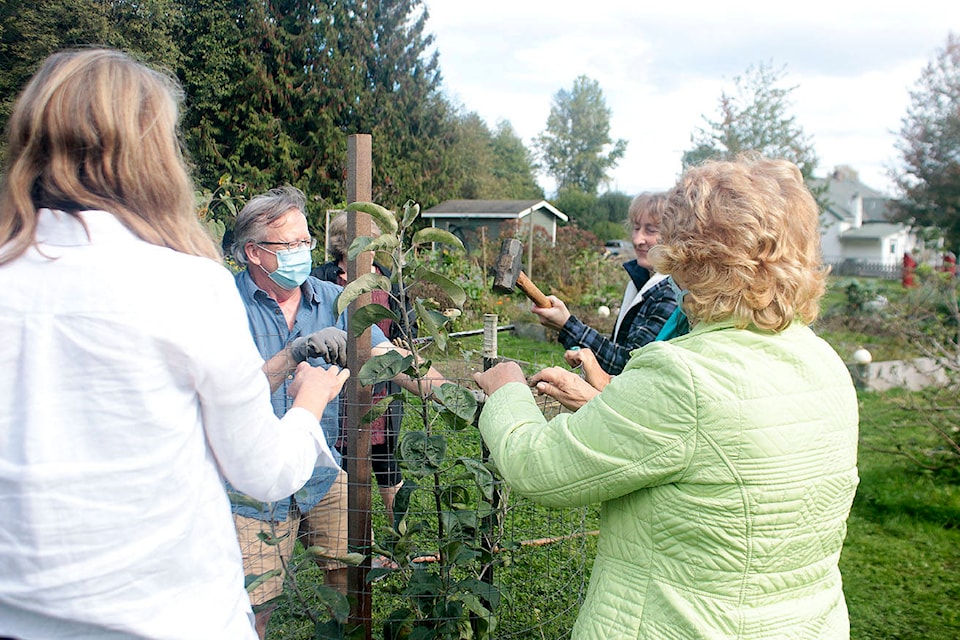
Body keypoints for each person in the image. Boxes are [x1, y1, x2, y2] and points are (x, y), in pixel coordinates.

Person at [0, 48, 349, 640]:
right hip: (171, 616)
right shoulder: (188, 285)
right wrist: (308, 402)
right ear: (151, 153)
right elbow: (263, 470)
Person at [474, 156, 860, 638]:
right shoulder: (826, 365)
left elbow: (540, 469)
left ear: (691, 254)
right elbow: (718, 455)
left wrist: (506, 388)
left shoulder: (683, 373)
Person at [229, 186, 448, 638]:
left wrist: (451, 392)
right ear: (253, 251)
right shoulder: (225, 307)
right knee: (252, 609)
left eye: (304, 242)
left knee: (350, 583)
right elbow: (229, 395)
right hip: (249, 483)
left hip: (323, 470)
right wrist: (293, 354)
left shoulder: (335, 298)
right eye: (287, 245)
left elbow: (391, 358)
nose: (301, 253)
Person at [313, 211, 412, 524]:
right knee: (340, 463)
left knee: (386, 464)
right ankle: (349, 536)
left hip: (381, 387)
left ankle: (401, 540)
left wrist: (400, 346)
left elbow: (406, 331)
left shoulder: (389, 283)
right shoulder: (322, 280)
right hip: (336, 387)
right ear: (346, 244)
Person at [531, 192, 677, 375]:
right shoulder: (641, 283)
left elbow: (629, 365)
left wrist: (567, 325)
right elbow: (620, 349)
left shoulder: (671, 293)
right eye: (636, 227)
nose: (637, 239)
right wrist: (582, 350)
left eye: (650, 230)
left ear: (673, 234)